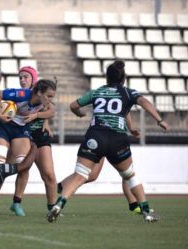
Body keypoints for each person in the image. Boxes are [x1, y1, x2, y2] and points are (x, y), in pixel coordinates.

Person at [47, 60, 170, 223]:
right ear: (123, 78)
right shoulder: (128, 93)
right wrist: (159, 120)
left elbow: (73, 105)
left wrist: (79, 113)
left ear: (106, 78)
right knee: (130, 176)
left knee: (80, 175)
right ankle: (146, 211)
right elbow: (144, 102)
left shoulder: (97, 92)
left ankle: (59, 204)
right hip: (117, 138)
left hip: (95, 136)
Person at [0, 78, 57, 217]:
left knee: (24, 165)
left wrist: (36, 115)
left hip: (20, 130)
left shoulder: (44, 102)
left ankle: (16, 203)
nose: (50, 100)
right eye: (49, 96)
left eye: (52, 96)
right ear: (39, 93)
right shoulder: (22, 94)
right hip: (2, 127)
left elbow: (52, 112)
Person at [57, 114, 146, 214]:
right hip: (103, 136)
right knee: (93, 175)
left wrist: (131, 127)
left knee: (126, 172)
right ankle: (59, 187)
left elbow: (127, 110)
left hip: (114, 137)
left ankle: (133, 205)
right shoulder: (117, 98)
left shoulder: (122, 99)